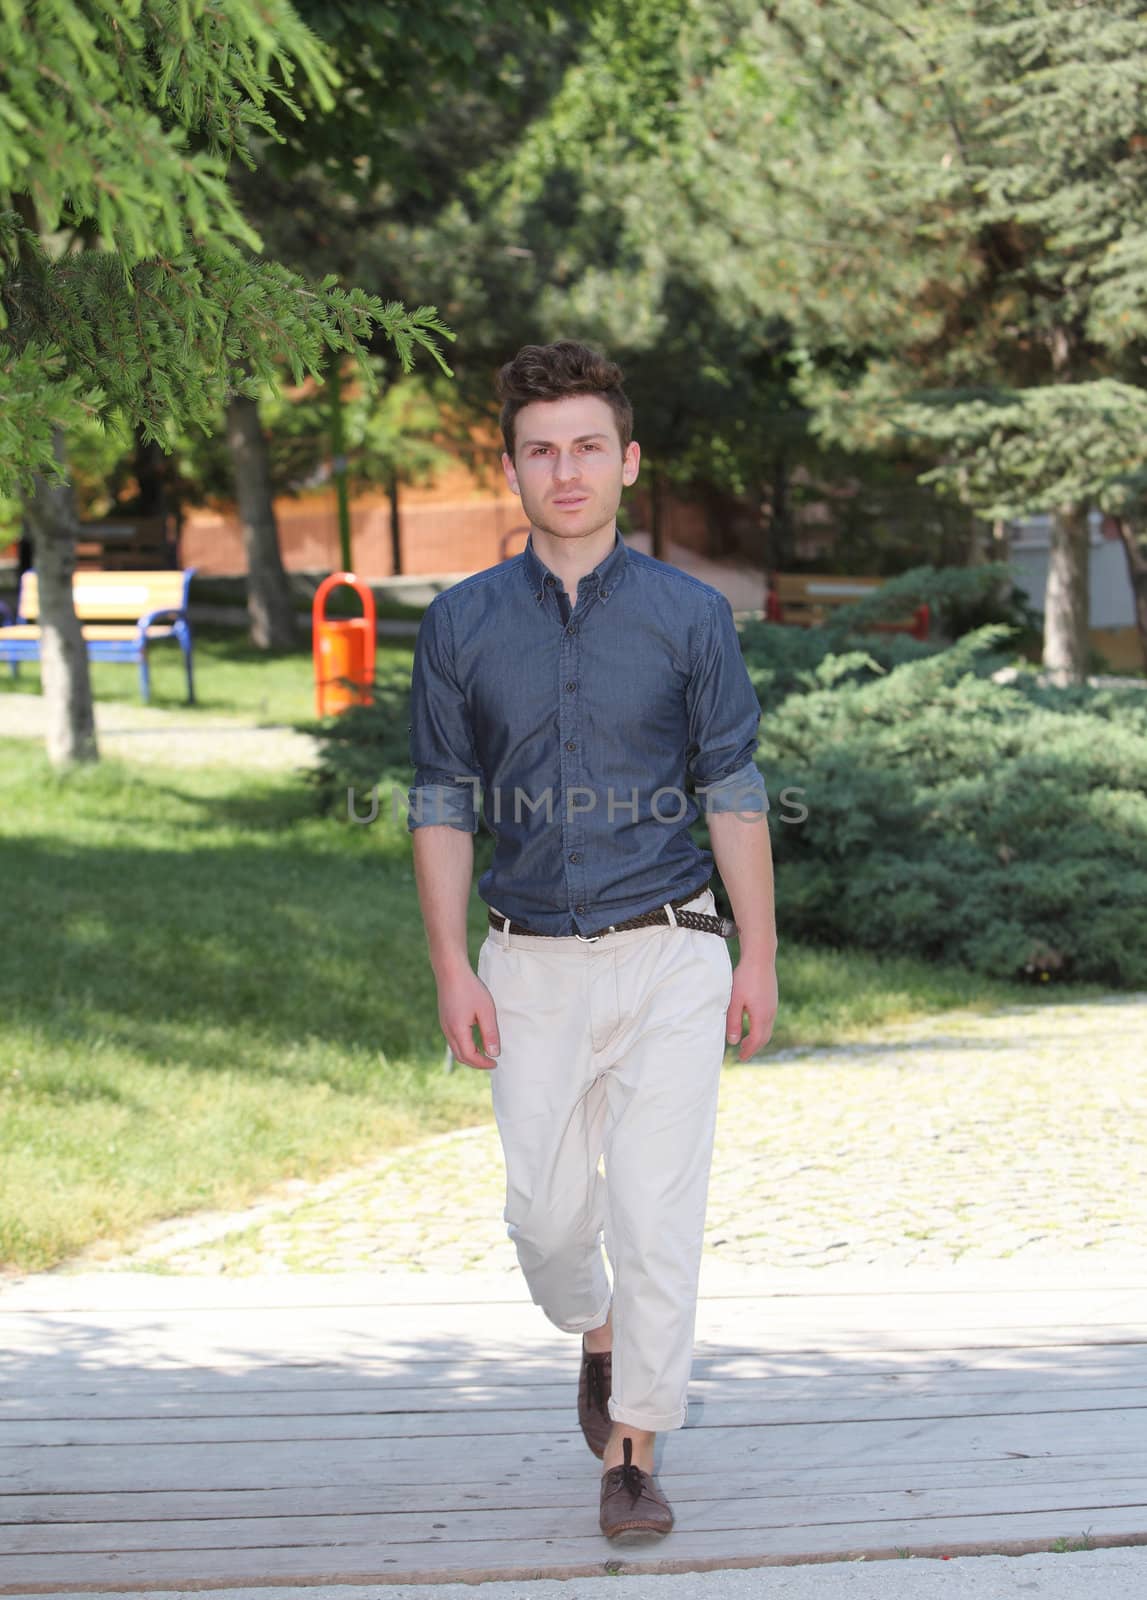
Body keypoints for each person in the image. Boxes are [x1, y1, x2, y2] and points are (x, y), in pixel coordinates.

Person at [406, 340, 777, 1542]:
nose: (563, 470)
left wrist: (757, 954)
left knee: (657, 1212)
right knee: (546, 1217)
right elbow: (441, 798)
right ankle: (599, 1331)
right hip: (529, 962)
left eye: (585, 447)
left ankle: (633, 1450)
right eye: (538, 449)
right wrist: (453, 962)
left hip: (673, 950)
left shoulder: (689, 617)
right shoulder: (460, 625)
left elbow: (732, 787)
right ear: (511, 467)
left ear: (627, 461)